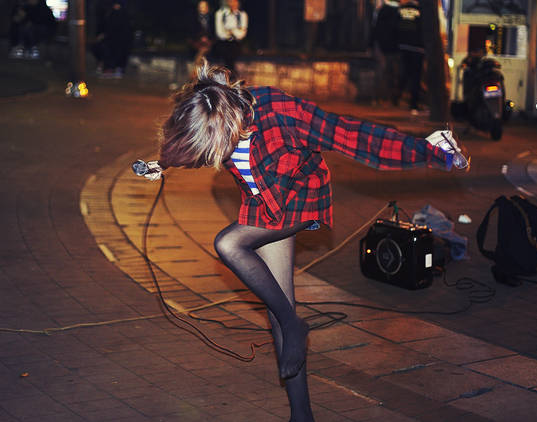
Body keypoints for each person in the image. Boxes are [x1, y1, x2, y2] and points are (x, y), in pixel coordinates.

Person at [140, 61, 468, 422]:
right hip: (264, 203)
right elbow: (188, 142)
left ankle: (294, 326)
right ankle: (302, 414)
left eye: (219, 150)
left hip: (300, 200)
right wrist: (162, 163)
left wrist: (429, 150)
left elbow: (357, 136)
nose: (218, 159)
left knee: (229, 244)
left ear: (235, 125)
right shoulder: (208, 109)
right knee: (278, 310)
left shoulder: (284, 113)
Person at [372, 0, 404, 106]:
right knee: (393, 74)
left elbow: (375, 29)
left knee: (382, 73)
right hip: (394, 48)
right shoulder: (398, 12)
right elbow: (398, 30)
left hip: (382, 46)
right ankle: (392, 99)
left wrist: (373, 44)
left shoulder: (381, 11)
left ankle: (378, 98)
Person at [91, 0, 133, 78]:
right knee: (100, 48)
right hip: (112, 37)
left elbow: (120, 27)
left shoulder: (120, 12)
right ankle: (108, 68)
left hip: (119, 38)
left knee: (115, 50)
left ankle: (114, 69)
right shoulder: (109, 11)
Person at [398, 0, 425, 114]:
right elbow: (424, 29)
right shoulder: (421, 10)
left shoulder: (401, 10)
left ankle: (397, 96)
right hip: (417, 48)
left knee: (405, 73)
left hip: (403, 46)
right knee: (416, 77)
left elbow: (396, 26)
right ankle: (413, 104)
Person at [214, 0, 248, 73]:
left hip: (236, 43)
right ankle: (230, 74)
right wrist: (235, 30)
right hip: (223, 43)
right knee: (226, 52)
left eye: (234, 1)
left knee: (233, 52)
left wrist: (231, 31)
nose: (232, 3)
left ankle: (230, 74)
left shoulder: (242, 15)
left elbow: (242, 34)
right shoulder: (220, 14)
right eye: (230, 1)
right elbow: (220, 33)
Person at [189, 1, 214, 65]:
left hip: (209, 40)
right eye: (201, 7)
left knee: (205, 48)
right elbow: (192, 31)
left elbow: (213, 31)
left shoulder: (212, 18)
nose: (202, 8)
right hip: (197, 40)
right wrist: (201, 37)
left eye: (204, 7)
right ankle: (199, 69)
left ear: (208, 8)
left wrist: (207, 38)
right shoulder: (193, 18)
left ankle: (196, 69)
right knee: (202, 49)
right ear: (198, 8)